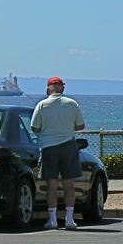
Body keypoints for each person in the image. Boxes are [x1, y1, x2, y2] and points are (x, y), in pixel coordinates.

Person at [31, 76, 85, 230]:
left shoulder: (42, 105)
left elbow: (34, 127)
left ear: (48, 89)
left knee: (51, 184)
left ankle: (53, 219)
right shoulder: (71, 104)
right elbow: (80, 125)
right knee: (69, 184)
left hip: (49, 147)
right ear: (62, 88)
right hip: (68, 145)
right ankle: (69, 219)